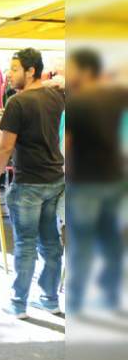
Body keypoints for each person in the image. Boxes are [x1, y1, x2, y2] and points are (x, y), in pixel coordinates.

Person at [0, 48, 65, 319]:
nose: (9, 74)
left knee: (27, 244)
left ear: (31, 71)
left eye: (15, 69)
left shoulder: (17, 103)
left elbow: (6, 147)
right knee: (51, 243)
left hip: (29, 183)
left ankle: (19, 304)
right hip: (55, 179)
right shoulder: (57, 95)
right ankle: (50, 299)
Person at [65, 48, 126, 315]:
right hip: (113, 178)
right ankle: (110, 295)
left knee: (83, 242)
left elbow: (66, 145)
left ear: (85, 71)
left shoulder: (77, 102)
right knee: (111, 237)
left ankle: (76, 299)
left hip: (85, 181)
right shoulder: (116, 95)